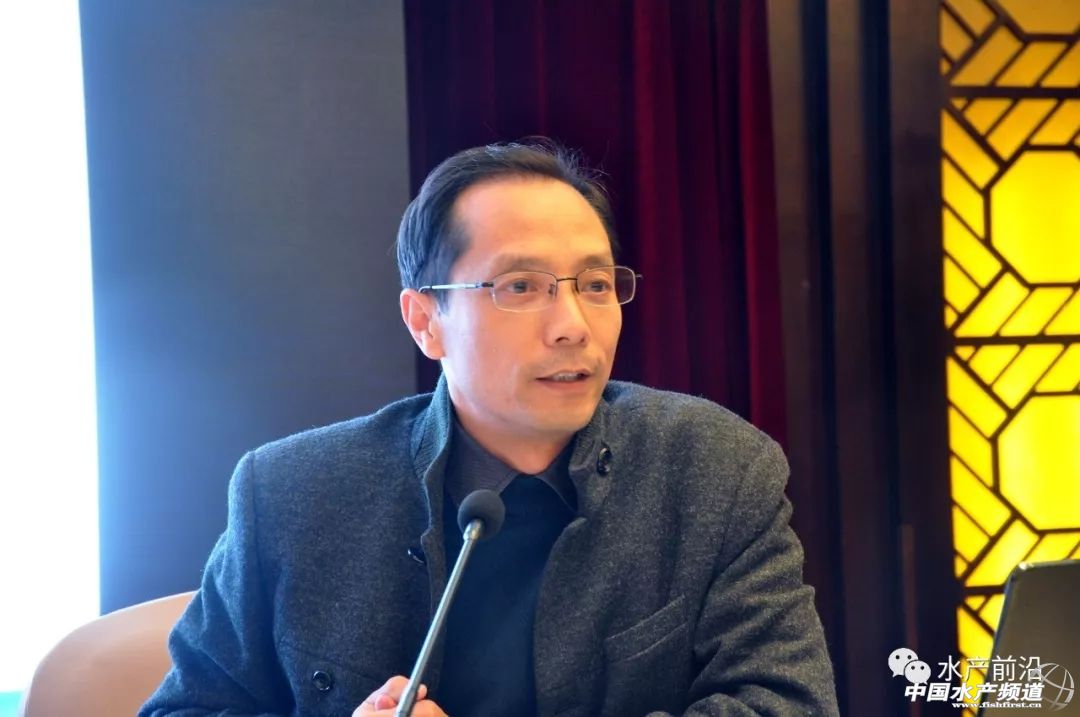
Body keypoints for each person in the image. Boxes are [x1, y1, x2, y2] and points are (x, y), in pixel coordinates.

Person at [140, 140, 839, 716]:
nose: (573, 326)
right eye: (521, 287)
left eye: (595, 285)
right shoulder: (291, 495)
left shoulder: (716, 469)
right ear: (425, 320)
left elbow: (789, 702)